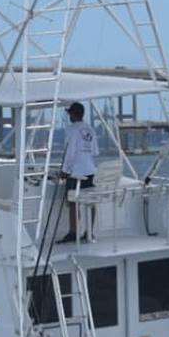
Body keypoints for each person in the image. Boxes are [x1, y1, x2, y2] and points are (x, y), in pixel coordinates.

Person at [58, 101, 98, 243]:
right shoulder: (91, 129)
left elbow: (70, 152)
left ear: (73, 114)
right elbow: (94, 152)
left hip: (76, 172)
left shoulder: (71, 130)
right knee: (90, 202)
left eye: (69, 113)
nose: (68, 115)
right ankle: (89, 232)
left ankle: (73, 232)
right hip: (90, 170)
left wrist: (64, 170)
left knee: (73, 201)